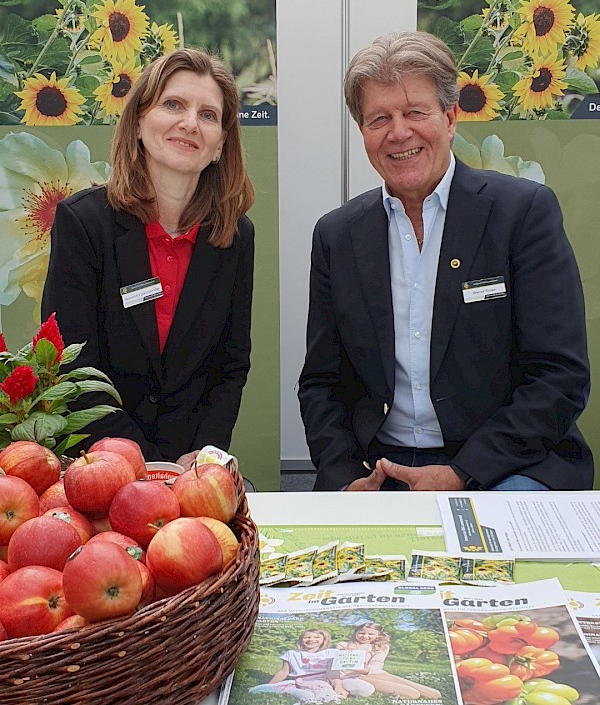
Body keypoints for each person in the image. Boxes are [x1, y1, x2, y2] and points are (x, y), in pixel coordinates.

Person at [298, 31, 593, 492]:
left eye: (415, 112)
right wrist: (344, 477)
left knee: (492, 538)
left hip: (506, 464)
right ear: (363, 132)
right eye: (380, 118)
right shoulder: (337, 236)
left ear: (451, 117)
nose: (399, 132)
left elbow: (560, 376)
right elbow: (322, 383)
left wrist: (462, 473)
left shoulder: (522, 213)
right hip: (382, 469)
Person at [42, 48, 255, 469]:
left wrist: (202, 458)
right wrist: (153, 468)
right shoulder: (83, 223)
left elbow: (230, 366)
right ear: (138, 122)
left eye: (208, 115)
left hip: (192, 473)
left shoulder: (234, 236)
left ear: (219, 145)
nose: (190, 123)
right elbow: (76, 372)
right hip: (101, 467)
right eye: (173, 104)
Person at [332, 622, 441, 699]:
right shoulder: (344, 645)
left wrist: (366, 670)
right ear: (356, 633)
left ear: (378, 635)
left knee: (435, 694)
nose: (365, 636)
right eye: (361, 633)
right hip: (353, 676)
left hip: (374, 673)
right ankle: (381, 691)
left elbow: (377, 665)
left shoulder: (382, 646)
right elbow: (337, 666)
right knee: (413, 694)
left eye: (371, 634)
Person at [249, 628, 341, 703]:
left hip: (321, 682)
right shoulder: (292, 653)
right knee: (307, 696)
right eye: (307, 637)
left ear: (324, 640)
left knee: (328, 696)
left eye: (316, 637)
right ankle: (292, 692)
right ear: (301, 640)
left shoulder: (330, 653)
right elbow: (284, 672)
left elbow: (335, 672)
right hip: (299, 682)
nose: (311, 640)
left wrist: (338, 685)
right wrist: (270, 684)